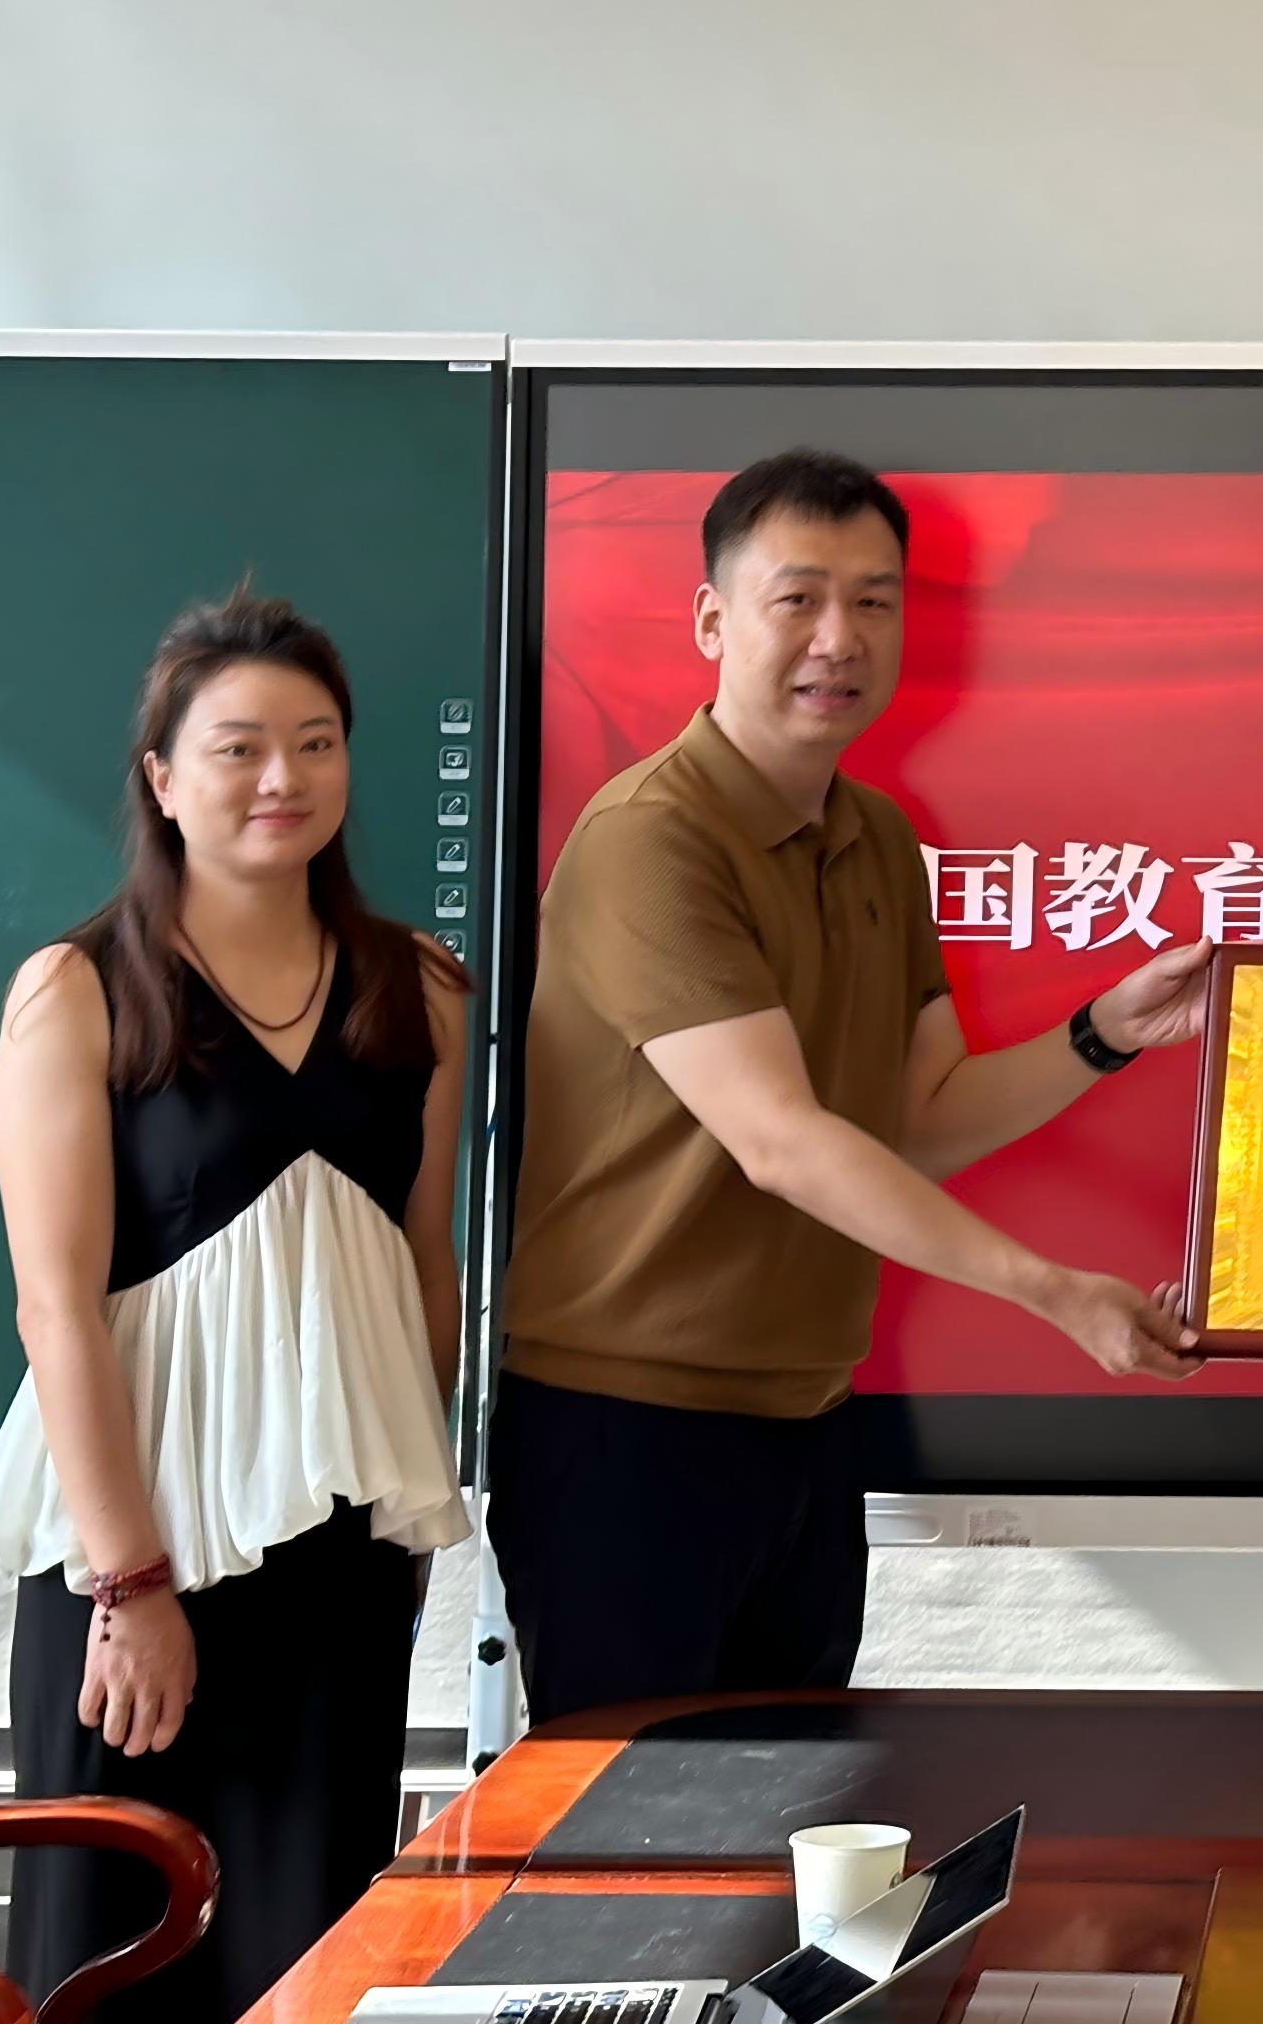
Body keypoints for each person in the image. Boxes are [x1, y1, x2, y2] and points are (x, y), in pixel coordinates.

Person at [492, 449, 1205, 1725]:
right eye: (799, 598)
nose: (841, 637)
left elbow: (916, 1121)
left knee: (796, 1812)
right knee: (627, 1827)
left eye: (875, 601)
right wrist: (1051, 1291)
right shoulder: (651, 836)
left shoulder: (878, 836)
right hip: (626, 1429)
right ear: (712, 619)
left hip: (810, 1421)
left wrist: (1105, 1033)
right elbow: (781, 1139)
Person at [0, 592, 474, 2024]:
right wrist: (133, 1581)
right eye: (238, 746)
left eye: (316, 742)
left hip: (337, 1557)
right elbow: (54, 1305)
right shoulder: (79, 991)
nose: (281, 777)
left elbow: (420, 1263)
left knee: (303, 1992)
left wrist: (409, 1513)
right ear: (162, 777)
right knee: (108, 1997)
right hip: (137, 1560)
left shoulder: (421, 989)